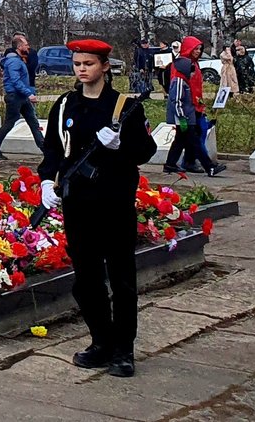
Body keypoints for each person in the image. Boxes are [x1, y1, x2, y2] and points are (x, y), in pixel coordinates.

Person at [37, 38, 157, 379]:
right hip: (79, 203)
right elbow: (54, 152)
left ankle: (123, 348)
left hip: (114, 202)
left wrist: (121, 144)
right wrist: (47, 181)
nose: (82, 69)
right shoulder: (65, 105)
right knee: (86, 278)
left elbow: (145, 151)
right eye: (77, 64)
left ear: (105, 66)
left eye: (88, 63)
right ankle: (100, 341)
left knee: (121, 278)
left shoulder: (124, 106)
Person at [162, 36, 223, 177]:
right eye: (195, 48)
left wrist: (200, 106)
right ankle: (210, 167)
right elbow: (176, 99)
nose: (198, 51)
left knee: (182, 139)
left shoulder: (192, 66)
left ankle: (171, 164)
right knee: (193, 139)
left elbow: (194, 90)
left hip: (190, 109)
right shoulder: (179, 77)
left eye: (200, 49)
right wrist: (182, 117)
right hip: (184, 112)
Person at [0, 34, 42, 156]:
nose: (28, 47)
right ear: (20, 46)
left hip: (21, 96)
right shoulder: (14, 61)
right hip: (15, 96)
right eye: (26, 44)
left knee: (33, 121)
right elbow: (15, 81)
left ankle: (45, 148)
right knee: (10, 122)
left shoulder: (17, 60)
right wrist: (29, 94)